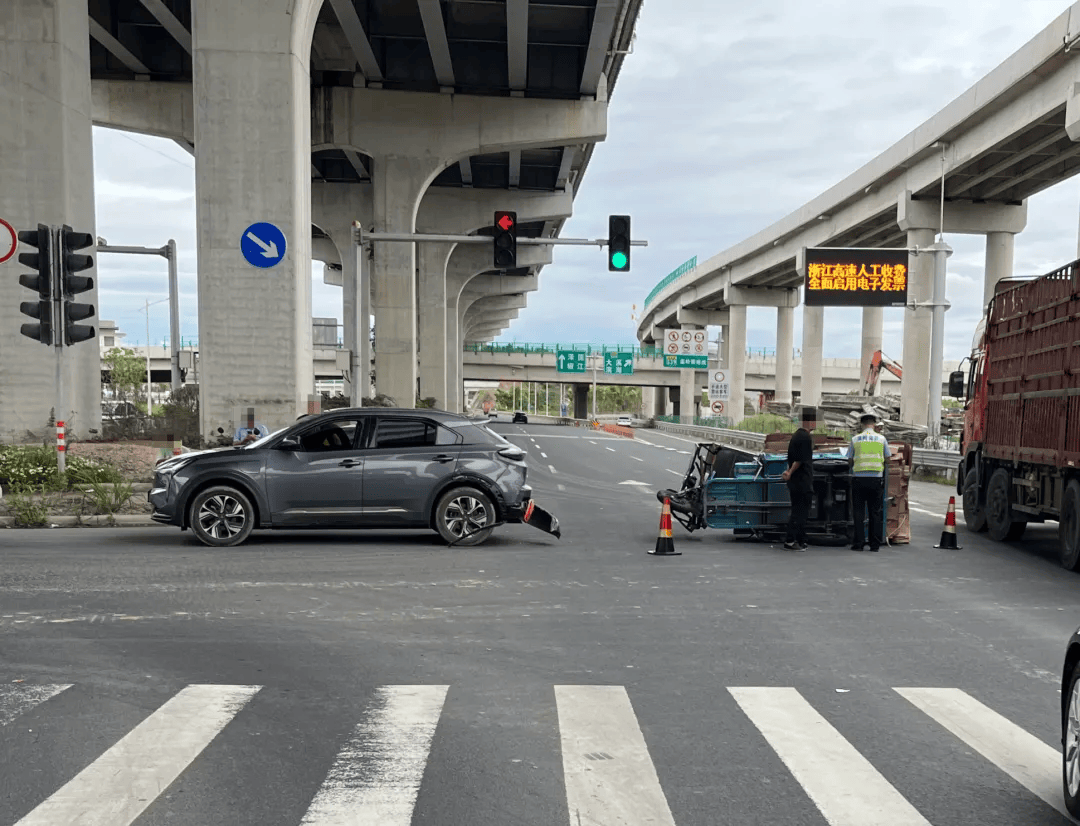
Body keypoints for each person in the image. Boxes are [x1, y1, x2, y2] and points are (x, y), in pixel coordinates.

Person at [846, 412, 892, 552]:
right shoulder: (881, 439)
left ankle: (859, 543)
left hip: (859, 478)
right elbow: (888, 458)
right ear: (874, 424)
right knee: (875, 512)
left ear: (862, 424)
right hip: (876, 479)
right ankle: (874, 545)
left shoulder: (855, 439)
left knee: (859, 512)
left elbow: (849, 460)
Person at [781, 406, 816, 551]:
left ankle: (801, 539)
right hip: (801, 480)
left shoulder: (798, 435)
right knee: (800, 511)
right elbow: (800, 460)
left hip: (797, 480)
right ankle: (791, 540)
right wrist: (789, 472)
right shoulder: (804, 437)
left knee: (799, 510)